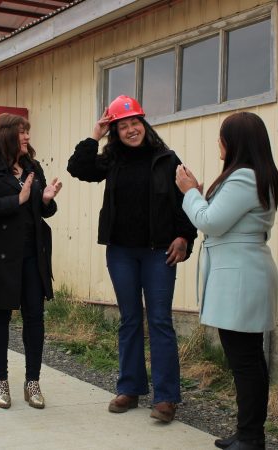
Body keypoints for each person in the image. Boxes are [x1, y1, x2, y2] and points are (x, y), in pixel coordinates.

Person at [67, 95, 197, 423]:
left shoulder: (166, 159)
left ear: (144, 124)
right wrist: (95, 134)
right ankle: (130, 387)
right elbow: (78, 168)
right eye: (121, 126)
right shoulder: (112, 158)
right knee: (129, 319)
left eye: (134, 123)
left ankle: (166, 397)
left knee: (160, 321)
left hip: (158, 253)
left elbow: (187, 197)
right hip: (121, 251)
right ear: (116, 131)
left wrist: (184, 237)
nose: (129, 130)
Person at [175, 112, 278, 450]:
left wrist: (190, 192)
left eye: (222, 136)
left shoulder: (244, 178)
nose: (218, 143)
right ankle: (247, 432)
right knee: (245, 359)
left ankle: (251, 437)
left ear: (234, 142)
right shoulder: (254, 175)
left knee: (246, 360)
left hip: (240, 276)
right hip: (242, 272)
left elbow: (210, 222)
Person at [0, 113, 62, 410]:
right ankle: (1, 381)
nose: (27, 137)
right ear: (5, 134)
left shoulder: (32, 166)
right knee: (0, 316)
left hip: (32, 255)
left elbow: (44, 212)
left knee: (35, 316)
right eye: (22, 132)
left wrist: (45, 199)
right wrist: (17, 200)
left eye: (28, 132)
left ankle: (33, 382)